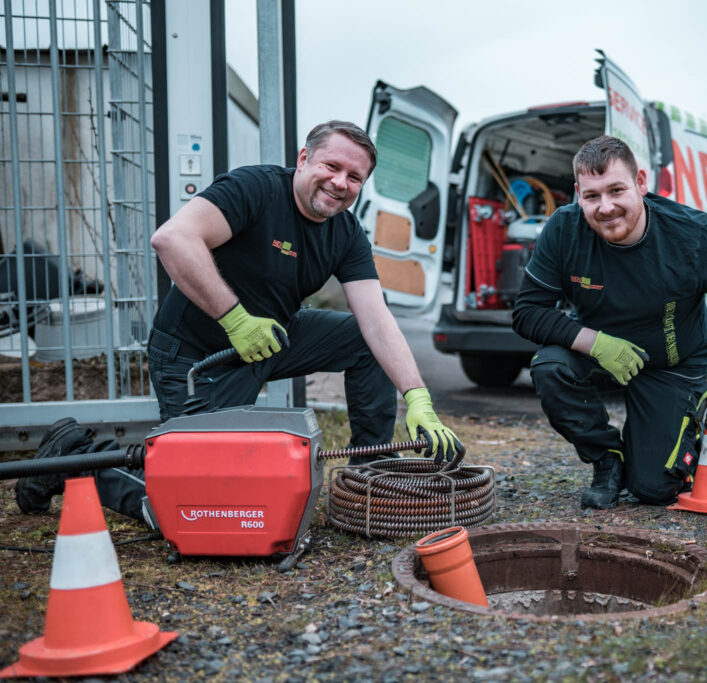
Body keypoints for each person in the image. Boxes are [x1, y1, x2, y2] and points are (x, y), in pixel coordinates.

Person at [16, 120, 462, 522]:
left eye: (354, 177)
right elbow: (172, 239)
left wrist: (417, 398)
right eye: (332, 166)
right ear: (304, 158)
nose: (340, 183)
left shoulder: (345, 233)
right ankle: (77, 457)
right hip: (196, 355)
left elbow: (377, 320)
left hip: (270, 339)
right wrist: (235, 319)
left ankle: (370, 476)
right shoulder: (256, 188)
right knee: (204, 504)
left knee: (363, 342)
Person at [512, 135, 707, 510]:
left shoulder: (690, 234)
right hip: (604, 355)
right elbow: (527, 311)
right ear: (577, 194)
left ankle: (668, 435)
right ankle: (607, 458)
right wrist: (595, 343)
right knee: (550, 367)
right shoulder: (564, 230)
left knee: (654, 490)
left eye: (616, 190)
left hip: (673, 365)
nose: (606, 207)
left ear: (641, 183)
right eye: (592, 196)